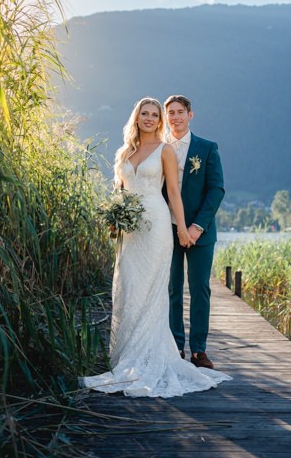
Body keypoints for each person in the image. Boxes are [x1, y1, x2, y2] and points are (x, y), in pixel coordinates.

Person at [80, 98, 231, 397]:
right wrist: (116, 217)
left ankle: (196, 351)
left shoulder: (188, 149)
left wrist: (188, 228)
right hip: (132, 231)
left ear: (188, 115)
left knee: (192, 288)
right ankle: (143, 351)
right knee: (136, 287)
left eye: (157, 114)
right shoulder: (125, 151)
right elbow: (119, 190)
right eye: (145, 114)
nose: (152, 118)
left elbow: (187, 191)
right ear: (136, 118)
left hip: (168, 226)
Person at [164, 95, 225, 370]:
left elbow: (216, 190)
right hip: (166, 230)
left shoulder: (207, 148)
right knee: (172, 289)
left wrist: (196, 227)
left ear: (190, 115)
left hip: (200, 233)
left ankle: (199, 350)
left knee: (200, 290)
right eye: (170, 113)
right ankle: (176, 346)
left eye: (180, 112)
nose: (175, 117)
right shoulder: (159, 148)